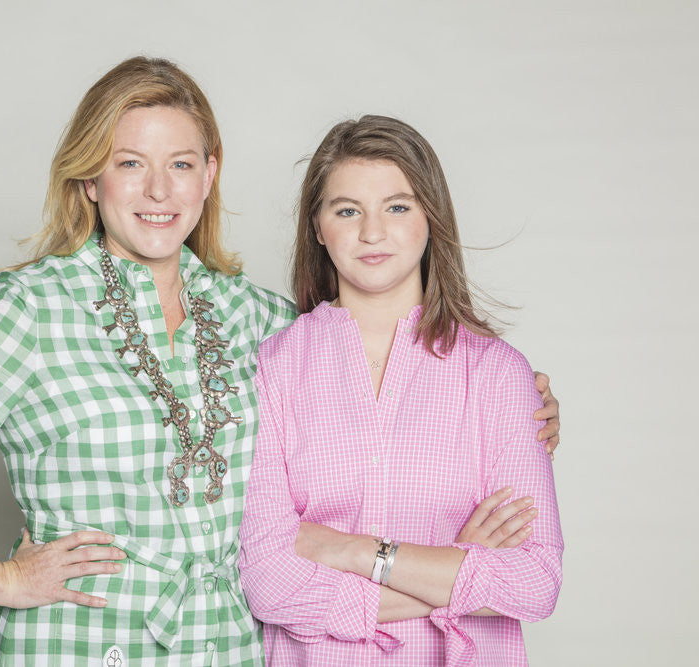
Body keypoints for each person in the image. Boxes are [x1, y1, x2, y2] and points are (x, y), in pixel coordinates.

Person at [0, 59, 560, 665]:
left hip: (224, 649)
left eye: (180, 163)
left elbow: (375, 362)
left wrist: (519, 406)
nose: (159, 190)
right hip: (81, 645)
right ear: (90, 180)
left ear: (209, 174)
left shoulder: (255, 320)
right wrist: (0, 578)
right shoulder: (33, 310)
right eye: (129, 163)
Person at [237, 115, 563, 666]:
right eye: (347, 210)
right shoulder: (273, 367)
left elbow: (533, 582)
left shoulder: (498, 374)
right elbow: (270, 583)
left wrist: (351, 550)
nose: (372, 232)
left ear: (431, 217)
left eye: (397, 207)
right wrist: (450, 572)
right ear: (317, 226)